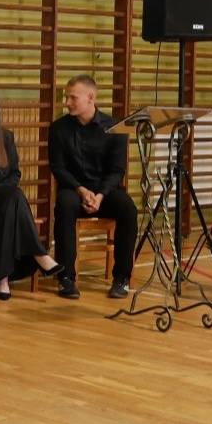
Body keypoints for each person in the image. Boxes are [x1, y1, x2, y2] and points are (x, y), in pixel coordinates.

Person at [0, 84, 77, 300]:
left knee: (11, 200)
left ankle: (3, 280)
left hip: (2, 197)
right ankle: (40, 255)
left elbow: (14, 174)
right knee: (14, 197)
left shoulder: (6, 136)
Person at [48, 75, 138, 299]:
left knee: (128, 208)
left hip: (104, 192)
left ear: (91, 98)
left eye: (73, 98)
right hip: (74, 190)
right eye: (66, 97)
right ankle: (66, 277)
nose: (67, 102)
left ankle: (122, 278)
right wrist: (81, 190)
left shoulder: (114, 128)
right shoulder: (58, 128)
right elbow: (58, 167)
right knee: (64, 204)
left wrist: (99, 195)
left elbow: (117, 170)